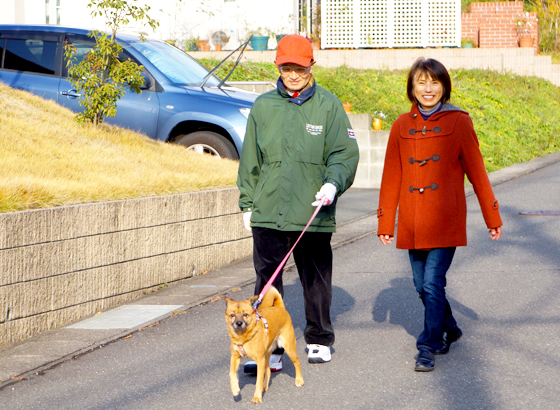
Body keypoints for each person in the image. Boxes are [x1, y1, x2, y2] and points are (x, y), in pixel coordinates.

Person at [237, 34, 359, 372]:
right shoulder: (263, 106)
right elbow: (251, 160)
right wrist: (247, 203)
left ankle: (319, 338)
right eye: (286, 67)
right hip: (268, 211)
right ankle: (269, 349)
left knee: (316, 278)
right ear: (277, 65)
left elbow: (343, 154)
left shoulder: (328, 105)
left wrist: (333, 184)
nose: (293, 75)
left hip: (312, 210)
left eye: (299, 69)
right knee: (267, 282)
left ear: (311, 67)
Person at [376, 57, 503, 372]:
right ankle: (450, 328)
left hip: (445, 220)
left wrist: (492, 216)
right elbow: (391, 176)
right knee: (421, 286)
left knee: (433, 283)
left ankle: (428, 345)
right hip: (412, 222)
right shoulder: (400, 126)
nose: (428, 88)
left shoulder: (459, 121)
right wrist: (385, 222)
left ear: (444, 86)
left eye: (434, 82)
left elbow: (477, 172)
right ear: (412, 88)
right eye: (421, 82)